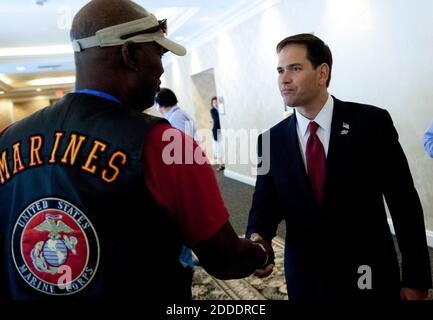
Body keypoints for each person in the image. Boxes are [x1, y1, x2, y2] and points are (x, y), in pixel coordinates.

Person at [0, 0, 273, 300]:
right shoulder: (164, 143)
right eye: (158, 52)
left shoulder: (8, 138)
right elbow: (224, 258)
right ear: (130, 54)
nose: (160, 70)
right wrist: (261, 252)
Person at [246, 33, 432, 300]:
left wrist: (416, 278)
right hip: (306, 278)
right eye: (280, 70)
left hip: (369, 274)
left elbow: (404, 204)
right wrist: (258, 240)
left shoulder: (372, 123)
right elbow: (264, 204)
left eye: (295, 69)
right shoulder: (269, 141)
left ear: (322, 73)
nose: (283, 79)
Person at [155, 88, 198, 275]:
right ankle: (186, 258)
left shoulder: (176, 119)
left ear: (161, 104)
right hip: (186, 169)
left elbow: (177, 149)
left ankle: (185, 261)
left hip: (181, 173)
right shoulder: (181, 114)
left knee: (180, 219)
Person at [210, 96, 225, 171]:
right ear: (212, 103)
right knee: (218, 147)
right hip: (216, 130)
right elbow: (216, 119)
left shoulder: (220, 109)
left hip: (221, 130)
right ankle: (221, 164)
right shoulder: (212, 110)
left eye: (216, 102)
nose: (215, 103)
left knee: (222, 146)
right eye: (214, 102)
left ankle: (223, 163)